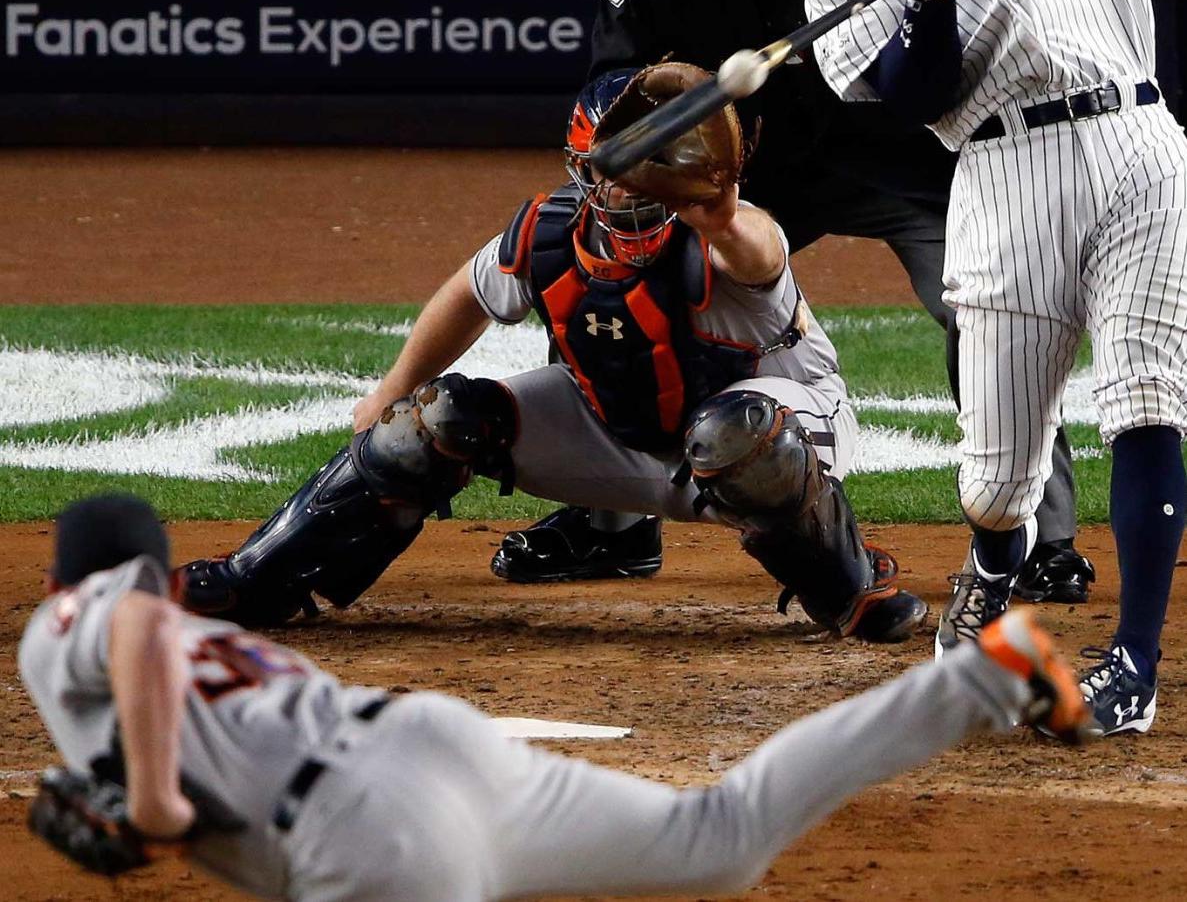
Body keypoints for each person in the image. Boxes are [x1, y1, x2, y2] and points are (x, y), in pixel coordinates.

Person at [490, 0, 1091, 607]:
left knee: (988, 313)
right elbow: (610, 77)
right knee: (612, 270)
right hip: (742, 175)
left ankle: (1040, 536)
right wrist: (654, 138)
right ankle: (610, 526)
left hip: (901, 156)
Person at [21, 492, 1090, 901]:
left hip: (368, 830)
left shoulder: (82, 620)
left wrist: (156, 800)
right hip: (428, 746)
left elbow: (138, 625)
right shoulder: (195, 639)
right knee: (710, 839)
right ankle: (982, 676)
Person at [178, 64, 928, 643]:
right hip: (631, 440)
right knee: (433, 419)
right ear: (582, 166)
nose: (626, 188)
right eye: (611, 168)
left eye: (647, 167)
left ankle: (850, 585)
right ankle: (259, 580)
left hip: (786, 430)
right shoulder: (548, 234)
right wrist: (389, 390)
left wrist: (723, 213)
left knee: (732, 435)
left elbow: (760, 251)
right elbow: (465, 295)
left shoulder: (726, 240)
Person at [792, 0, 1186, 735]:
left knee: (1146, 396)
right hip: (1003, 171)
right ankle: (993, 562)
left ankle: (1131, 664)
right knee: (997, 476)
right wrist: (925, 0)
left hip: (1139, 141)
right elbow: (910, 93)